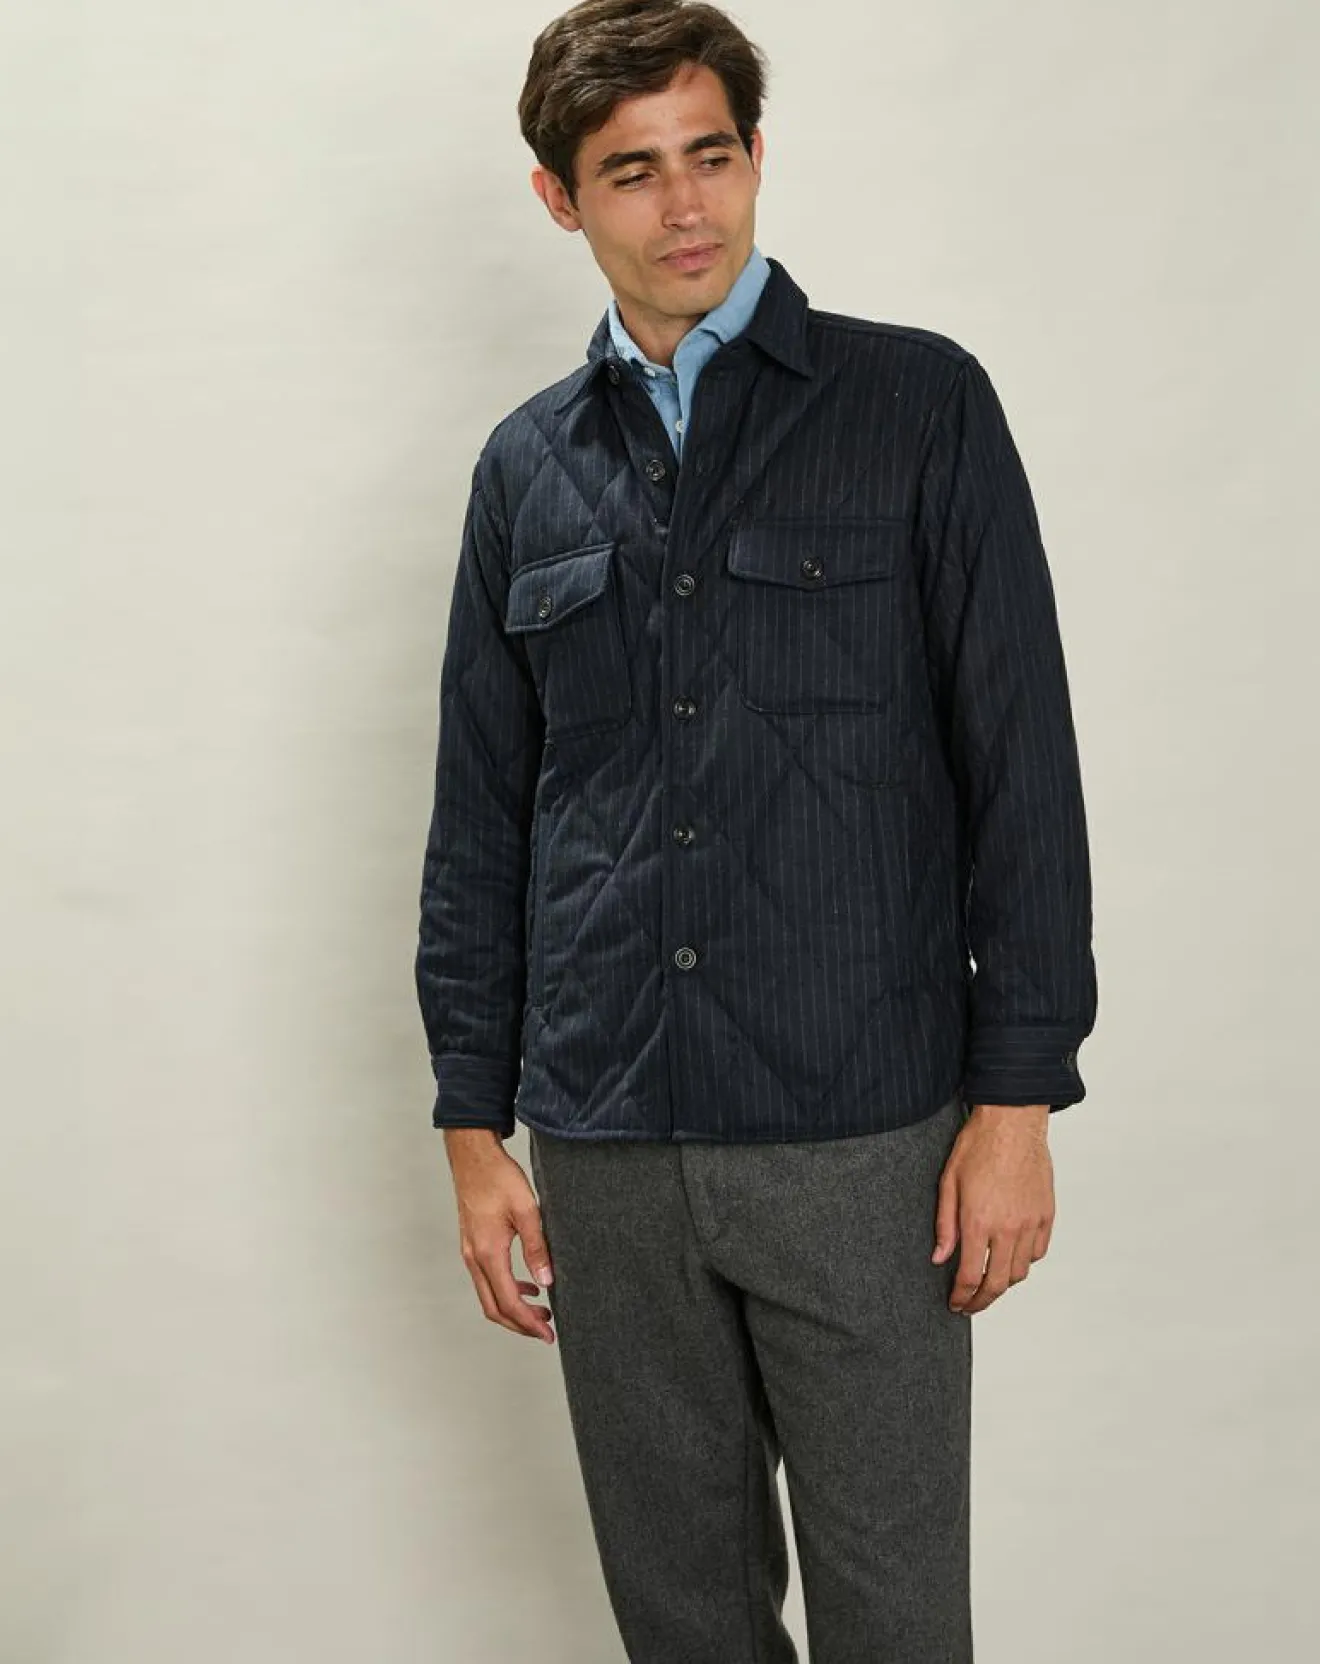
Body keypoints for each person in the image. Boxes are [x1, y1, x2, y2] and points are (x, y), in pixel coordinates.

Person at [414, 2, 1098, 1658]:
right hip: (608, 1142)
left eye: (710, 156)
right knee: (683, 1624)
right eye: (632, 172)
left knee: (895, 1619)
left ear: (757, 156)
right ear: (559, 199)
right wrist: (472, 1129)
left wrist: (1017, 1099)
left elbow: (1021, 766)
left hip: (861, 1138)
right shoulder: (525, 469)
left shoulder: (917, 405)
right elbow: (482, 822)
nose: (686, 207)